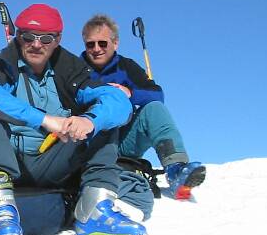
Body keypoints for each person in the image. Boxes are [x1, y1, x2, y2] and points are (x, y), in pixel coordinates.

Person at [0, 3, 147, 235]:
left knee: (103, 122)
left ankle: (94, 212)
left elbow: (117, 100)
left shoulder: (70, 68)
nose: (36, 45)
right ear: (19, 36)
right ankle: (1, 212)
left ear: (57, 39)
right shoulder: (2, 65)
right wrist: (46, 120)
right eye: (28, 37)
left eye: (46, 38)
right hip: (9, 160)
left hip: (52, 160)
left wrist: (89, 121)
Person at [81, 14, 205, 199]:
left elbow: (156, 95)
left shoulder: (126, 67)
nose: (96, 49)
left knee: (154, 109)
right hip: (89, 142)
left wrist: (130, 93)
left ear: (115, 43)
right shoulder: (76, 69)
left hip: (122, 142)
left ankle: (176, 170)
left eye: (103, 43)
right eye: (90, 44)